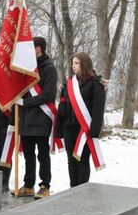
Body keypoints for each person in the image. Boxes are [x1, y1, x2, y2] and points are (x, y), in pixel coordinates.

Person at [55, 52, 105, 187]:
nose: (73, 66)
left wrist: (95, 129)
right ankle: (73, 188)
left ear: (85, 64)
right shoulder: (69, 85)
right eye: (72, 63)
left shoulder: (95, 84)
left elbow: (98, 109)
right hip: (68, 127)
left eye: (76, 63)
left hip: (84, 129)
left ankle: (82, 190)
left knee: (82, 160)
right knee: (71, 159)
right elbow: (63, 108)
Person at [16, 36, 58, 197]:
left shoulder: (49, 68)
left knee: (42, 154)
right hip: (26, 119)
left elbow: (48, 95)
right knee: (28, 154)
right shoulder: (28, 68)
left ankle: (45, 184)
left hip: (41, 117)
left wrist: (24, 103)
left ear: (38, 49)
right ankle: (28, 184)